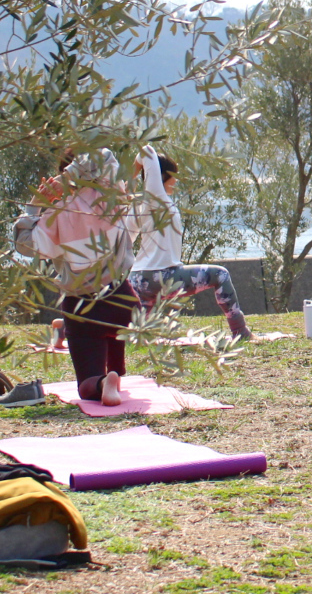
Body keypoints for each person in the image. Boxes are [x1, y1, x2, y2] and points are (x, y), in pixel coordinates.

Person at [28, 148, 139, 406]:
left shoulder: (55, 211)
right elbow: (104, 154)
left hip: (80, 311)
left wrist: (35, 203)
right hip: (124, 306)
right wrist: (68, 178)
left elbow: (26, 244)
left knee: (86, 386)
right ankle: (116, 372)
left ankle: (102, 381)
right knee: (112, 328)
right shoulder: (110, 195)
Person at [128, 144, 252, 340]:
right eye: (173, 175)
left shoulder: (139, 205)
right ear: (160, 177)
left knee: (132, 335)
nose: (176, 180)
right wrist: (132, 177)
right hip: (163, 276)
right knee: (220, 275)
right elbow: (147, 150)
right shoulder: (156, 198)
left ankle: (65, 329)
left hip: (137, 280)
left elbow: (126, 241)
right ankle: (240, 331)